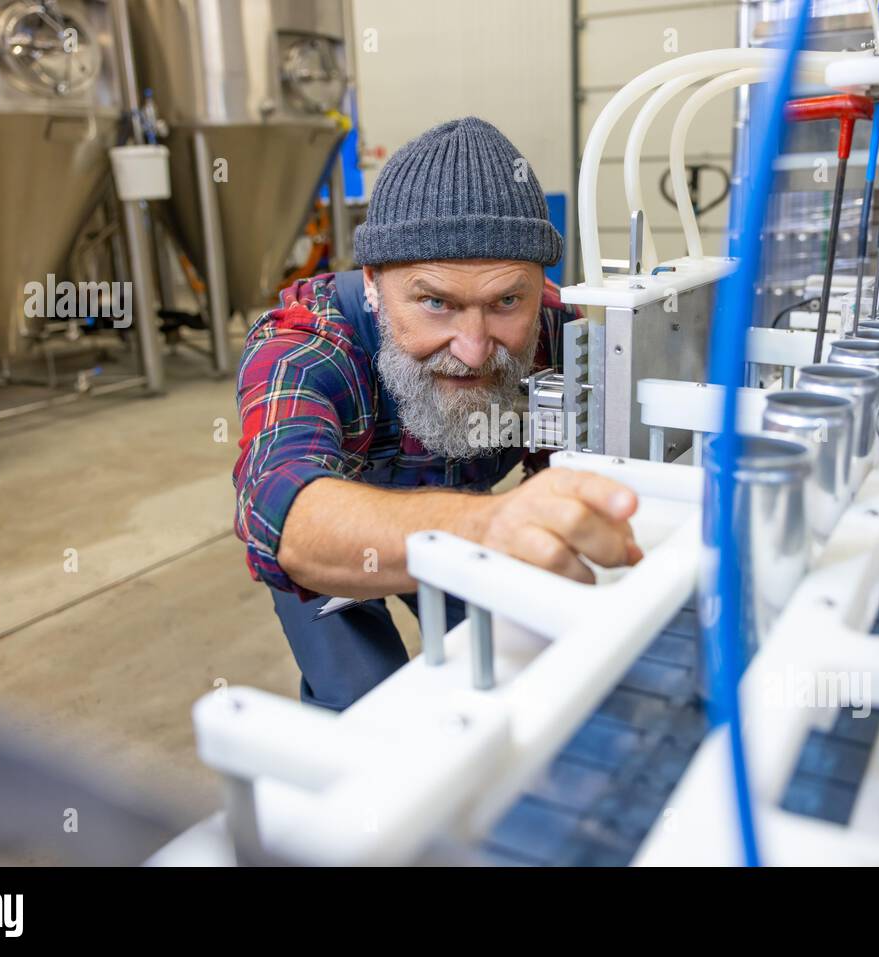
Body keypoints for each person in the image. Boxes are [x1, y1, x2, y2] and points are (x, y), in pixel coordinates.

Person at [233, 117, 641, 709]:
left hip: (471, 522)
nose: (474, 348)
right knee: (370, 705)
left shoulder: (556, 332)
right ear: (373, 282)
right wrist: (487, 528)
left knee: (501, 673)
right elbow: (290, 517)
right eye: (435, 303)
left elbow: (570, 467)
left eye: (506, 300)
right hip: (349, 544)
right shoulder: (304, 346)